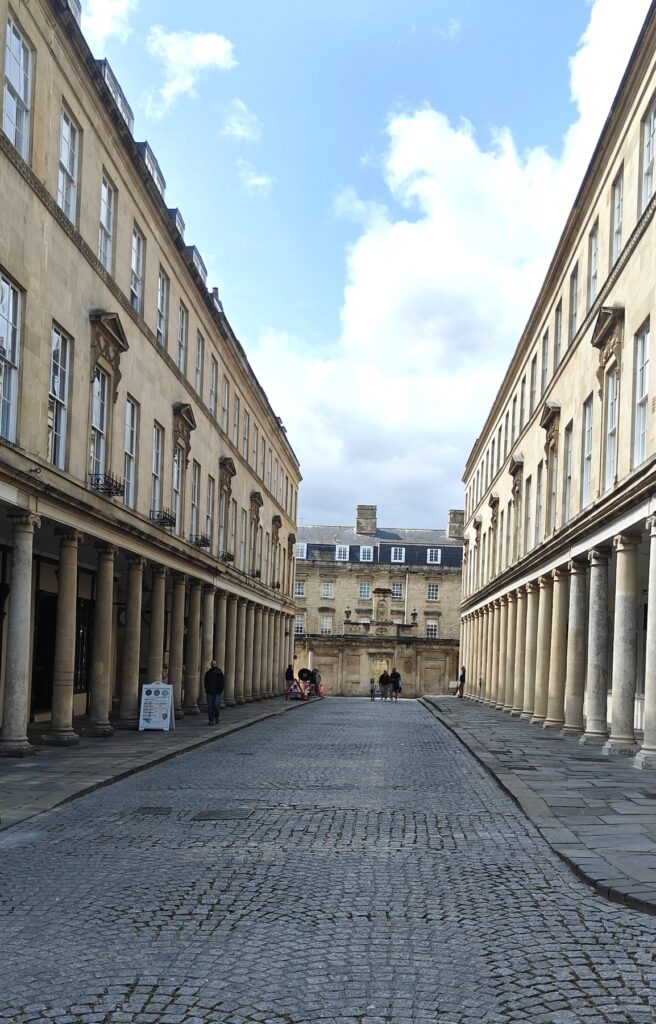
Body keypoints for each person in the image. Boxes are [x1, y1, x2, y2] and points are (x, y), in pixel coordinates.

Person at [204, 659, 225, 724]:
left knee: (216, 705)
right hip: (210, 692)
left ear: (216, 664)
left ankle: (216, 717)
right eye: (212, 664)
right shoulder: (208, 673)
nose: (213, 665)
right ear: (211, 665)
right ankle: (211, 720)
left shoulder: (219, 673)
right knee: (210, 706)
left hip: (217, 692)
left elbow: (222, 683)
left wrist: (220, 690)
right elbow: (205, 682)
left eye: (214, 664)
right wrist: (207, 690)